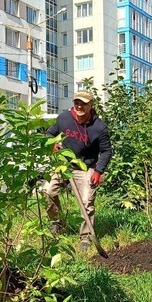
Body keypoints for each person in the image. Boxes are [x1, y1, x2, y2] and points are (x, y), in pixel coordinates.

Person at [43, 90, 112, 250]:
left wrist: (98, 171)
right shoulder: (64, 118)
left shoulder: (99, 127)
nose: (80, 106)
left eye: (84, 103)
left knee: (87, 201)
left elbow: (107, 151)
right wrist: (52, 143)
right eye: (77, 103)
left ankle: (86, 238)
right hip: (64, 164)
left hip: (86, 166)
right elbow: (49, 133)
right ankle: (57, 223)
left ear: (91, 105)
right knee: (47, 191)